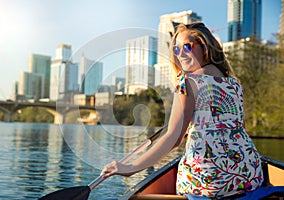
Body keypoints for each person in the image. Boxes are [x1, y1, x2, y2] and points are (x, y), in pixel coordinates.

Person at [102, 22, 263, 199]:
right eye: (177, 50)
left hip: (211, 183)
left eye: (187, 47)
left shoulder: (188, 81)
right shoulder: (234, 84)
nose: (181, 55)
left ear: (205, 46)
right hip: (251, 174)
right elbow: (236, 129)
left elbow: (174, 138)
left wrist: (131, 168)